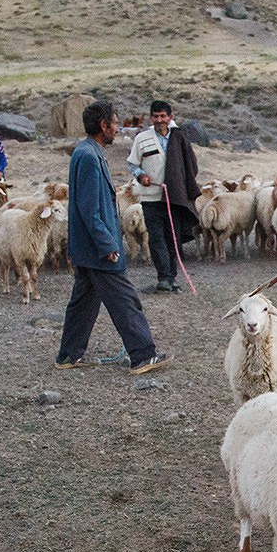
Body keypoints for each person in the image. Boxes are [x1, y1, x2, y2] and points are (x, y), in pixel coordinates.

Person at [55, 100, 170, 376]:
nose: (118, 129)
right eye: (115, 123)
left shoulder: (88, 152)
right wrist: (107, 244)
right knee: (125, 299)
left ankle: (68, 355)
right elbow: (89, 208)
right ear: (103, 125)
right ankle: (143, 355)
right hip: (97, 249)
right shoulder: (88, 156)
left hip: (87, 248)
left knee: (83, 302)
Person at [127, 99, 201, 293]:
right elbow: (133, 164)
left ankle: (172, 276)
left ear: (170, 117)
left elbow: (190, 164)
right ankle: (163, 277)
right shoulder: (142, 138)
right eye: (155, 116)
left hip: (174, 197)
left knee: (173, 237)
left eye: (163, 116)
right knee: (156, 237)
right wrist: (141, 175)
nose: (159, 120)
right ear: (151, 118)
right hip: (151, 197)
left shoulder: (179, 138)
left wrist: (182, 185)